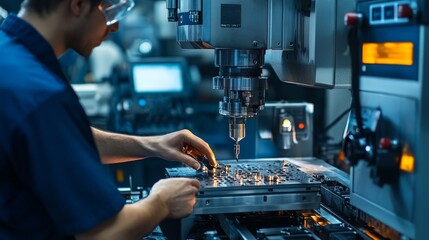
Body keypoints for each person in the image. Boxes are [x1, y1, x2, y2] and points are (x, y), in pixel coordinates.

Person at [0, 0, 217, 239]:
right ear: (78, 4)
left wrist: (153, 145)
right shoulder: (40, 92)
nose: (115, 27)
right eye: (112, 12)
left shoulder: (10, 56)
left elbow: (56, 139)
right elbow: (103, 233)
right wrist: (162, 201)